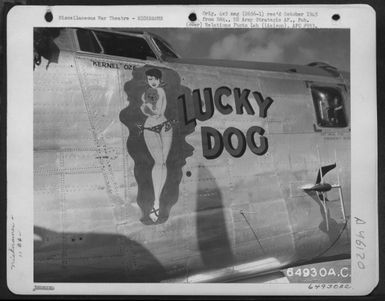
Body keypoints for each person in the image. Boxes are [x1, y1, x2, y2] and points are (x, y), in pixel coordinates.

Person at [139, 68, 173, 223]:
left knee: (163, 163)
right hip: (150, 128)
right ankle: (156, 203)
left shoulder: (159, 91)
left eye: (155, 79)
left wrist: (147, 108)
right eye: (149, 79)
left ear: (159, 80)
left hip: (165, 126)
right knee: (159, 163)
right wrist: (147, 108)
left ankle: (157, 202)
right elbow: (147, 110)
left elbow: (156, 111)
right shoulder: (145, 94)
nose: (152, 81)